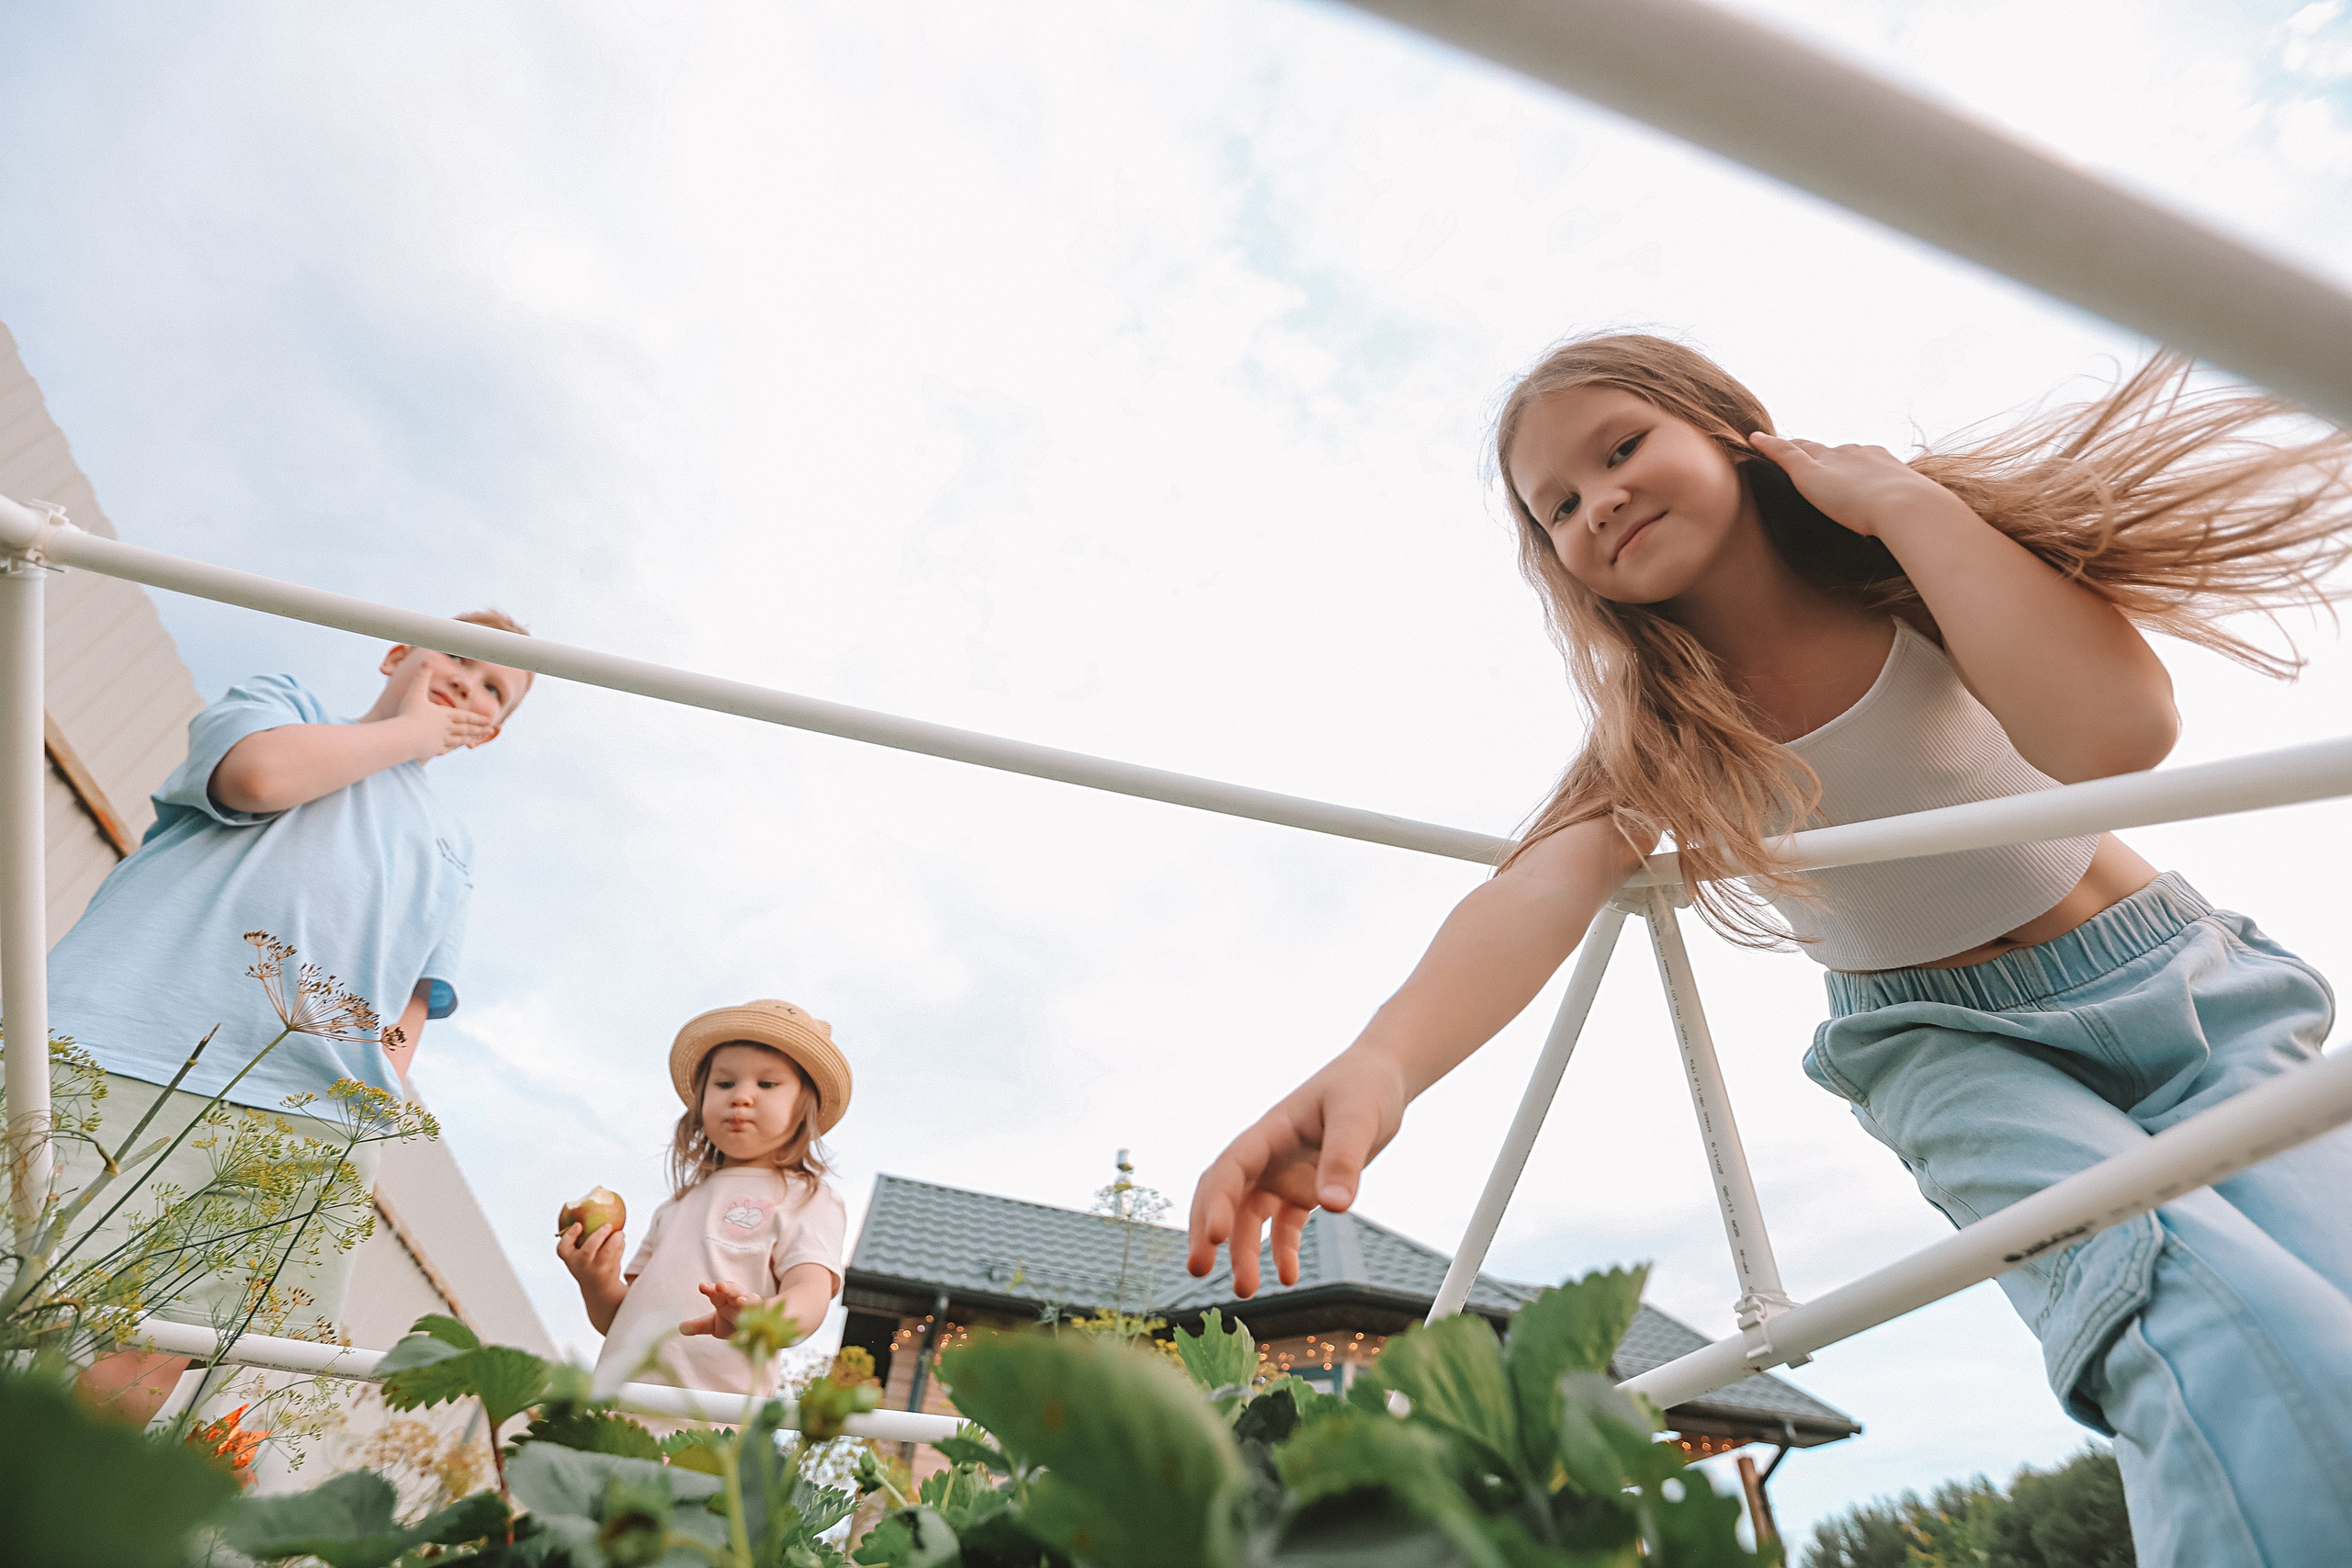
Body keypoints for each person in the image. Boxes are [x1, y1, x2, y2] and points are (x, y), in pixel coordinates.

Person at [1183, 335, 2352, 1567]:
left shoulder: (1910, 569)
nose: (1600, 503)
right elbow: (1536, 888)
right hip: (1953, 1050)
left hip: (2186, 984)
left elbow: (2118, 733)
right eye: (1560, 507)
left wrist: (1901, 497)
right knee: (2203, 1326)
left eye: (1621, 448)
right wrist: (1383, 1059)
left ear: (1735, 428)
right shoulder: (1667, 725)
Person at [50, 613, 534, 1418]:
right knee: (27, 1281)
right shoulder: (286, 702)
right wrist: (412, 731)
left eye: (497, 688)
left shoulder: (452, 843)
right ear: (396, 652)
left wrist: (364, 1114)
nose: (470, 682)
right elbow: (260, 778)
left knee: (153, 1345)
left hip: (294, 1116)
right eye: (457, 655)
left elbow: (412, 998)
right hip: (124, 1044)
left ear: (487, 733)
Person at [560, 998, 850, 1400]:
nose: (741, 1096)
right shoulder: (675, 1208)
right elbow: (621, 1319)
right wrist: (595, 1282)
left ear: (805, 1108)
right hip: (616, 1407)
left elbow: (810, 1295)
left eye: (767, 1084)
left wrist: (759, 1319)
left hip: (711, 1423)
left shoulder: (807, 1198)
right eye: (725, 1083)